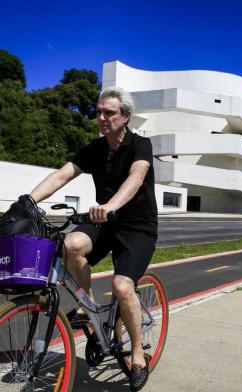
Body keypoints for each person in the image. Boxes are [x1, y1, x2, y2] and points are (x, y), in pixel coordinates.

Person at [29, 86, 157, 391]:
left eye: (109, 112)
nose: (101, 117)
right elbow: (63, 174)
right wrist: (27, 201)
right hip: (105, 223)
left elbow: (136, 177)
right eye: (98, 112)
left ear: (125, 116)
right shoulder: (95, 148)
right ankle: (87, 310)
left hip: (137, 226)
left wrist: (110, 206)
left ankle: (137, 354)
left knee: (122, 286)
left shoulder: (141, 145)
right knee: (71, 244)